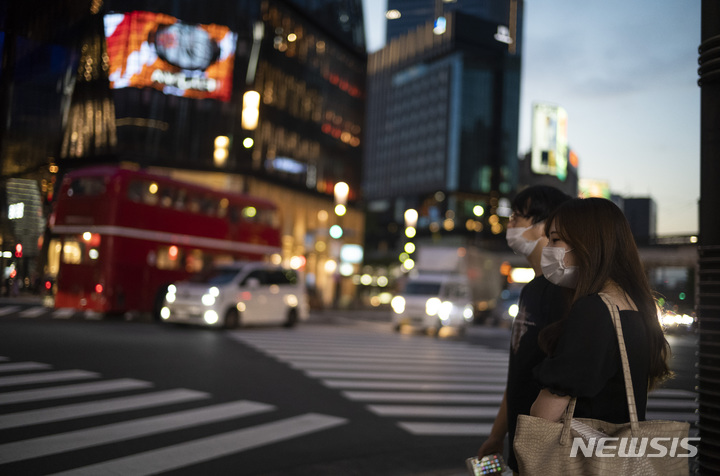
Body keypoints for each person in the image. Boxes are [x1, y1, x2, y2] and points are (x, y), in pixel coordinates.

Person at [529, 197, 671, 425]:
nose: (548, 250)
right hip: (615, 454)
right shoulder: (637, 306)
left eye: (555, 240)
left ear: (587, 243)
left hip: (581, 456)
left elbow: (543, 416)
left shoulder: (594, 310)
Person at [477, 185, 571, 473]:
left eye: (518, 216)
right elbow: (518, 372)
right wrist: (497, 435)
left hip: (545, 450)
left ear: (547, 226)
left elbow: (563, 381)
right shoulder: (531, 290)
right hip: (521, 445)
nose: (510, 224)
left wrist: (532, 446)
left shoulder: (564, 292)